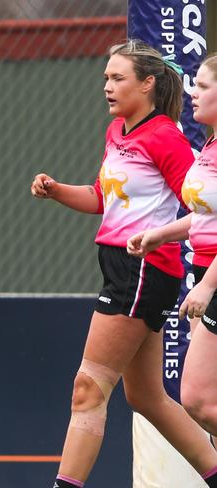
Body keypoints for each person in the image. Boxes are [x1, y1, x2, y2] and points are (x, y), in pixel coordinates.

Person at [30, 39, 217, 487]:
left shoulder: (166, 137)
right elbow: (100, 198)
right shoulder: (118, 132)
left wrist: (195, 270)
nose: (107, 88)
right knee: (149, 398)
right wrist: (57, 189)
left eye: (118, 78)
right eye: (105, 79)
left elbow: (202, 204)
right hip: (120, 265)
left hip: (143, 272)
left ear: (148, 83)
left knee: (88, 389)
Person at [127, 53, 217, 453]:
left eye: (203, 85)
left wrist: (206, 287)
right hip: (202, 272)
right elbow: (205, 217)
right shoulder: (211, 143)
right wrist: (162, 233)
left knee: (197, 399)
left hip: (212, 278)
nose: (192, 93)